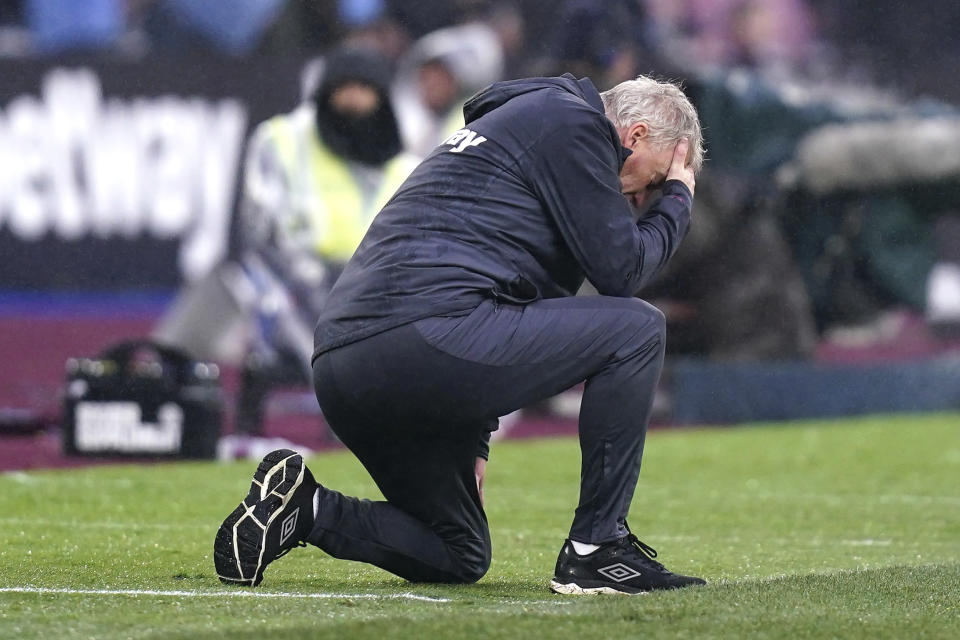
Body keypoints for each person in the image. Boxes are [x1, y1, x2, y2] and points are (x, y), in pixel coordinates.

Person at [214, 73, 706, 595]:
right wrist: (678, 197)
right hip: (423, 339)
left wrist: (476, 439)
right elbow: (622, 271)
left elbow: (493, 282)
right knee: (637, 329)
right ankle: (597, 548)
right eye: (650, 181)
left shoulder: (527, 127)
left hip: (345, 363)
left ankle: (303, 508)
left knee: (458, 549)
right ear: (634, 135)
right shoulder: (576, 123)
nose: (639, 201)